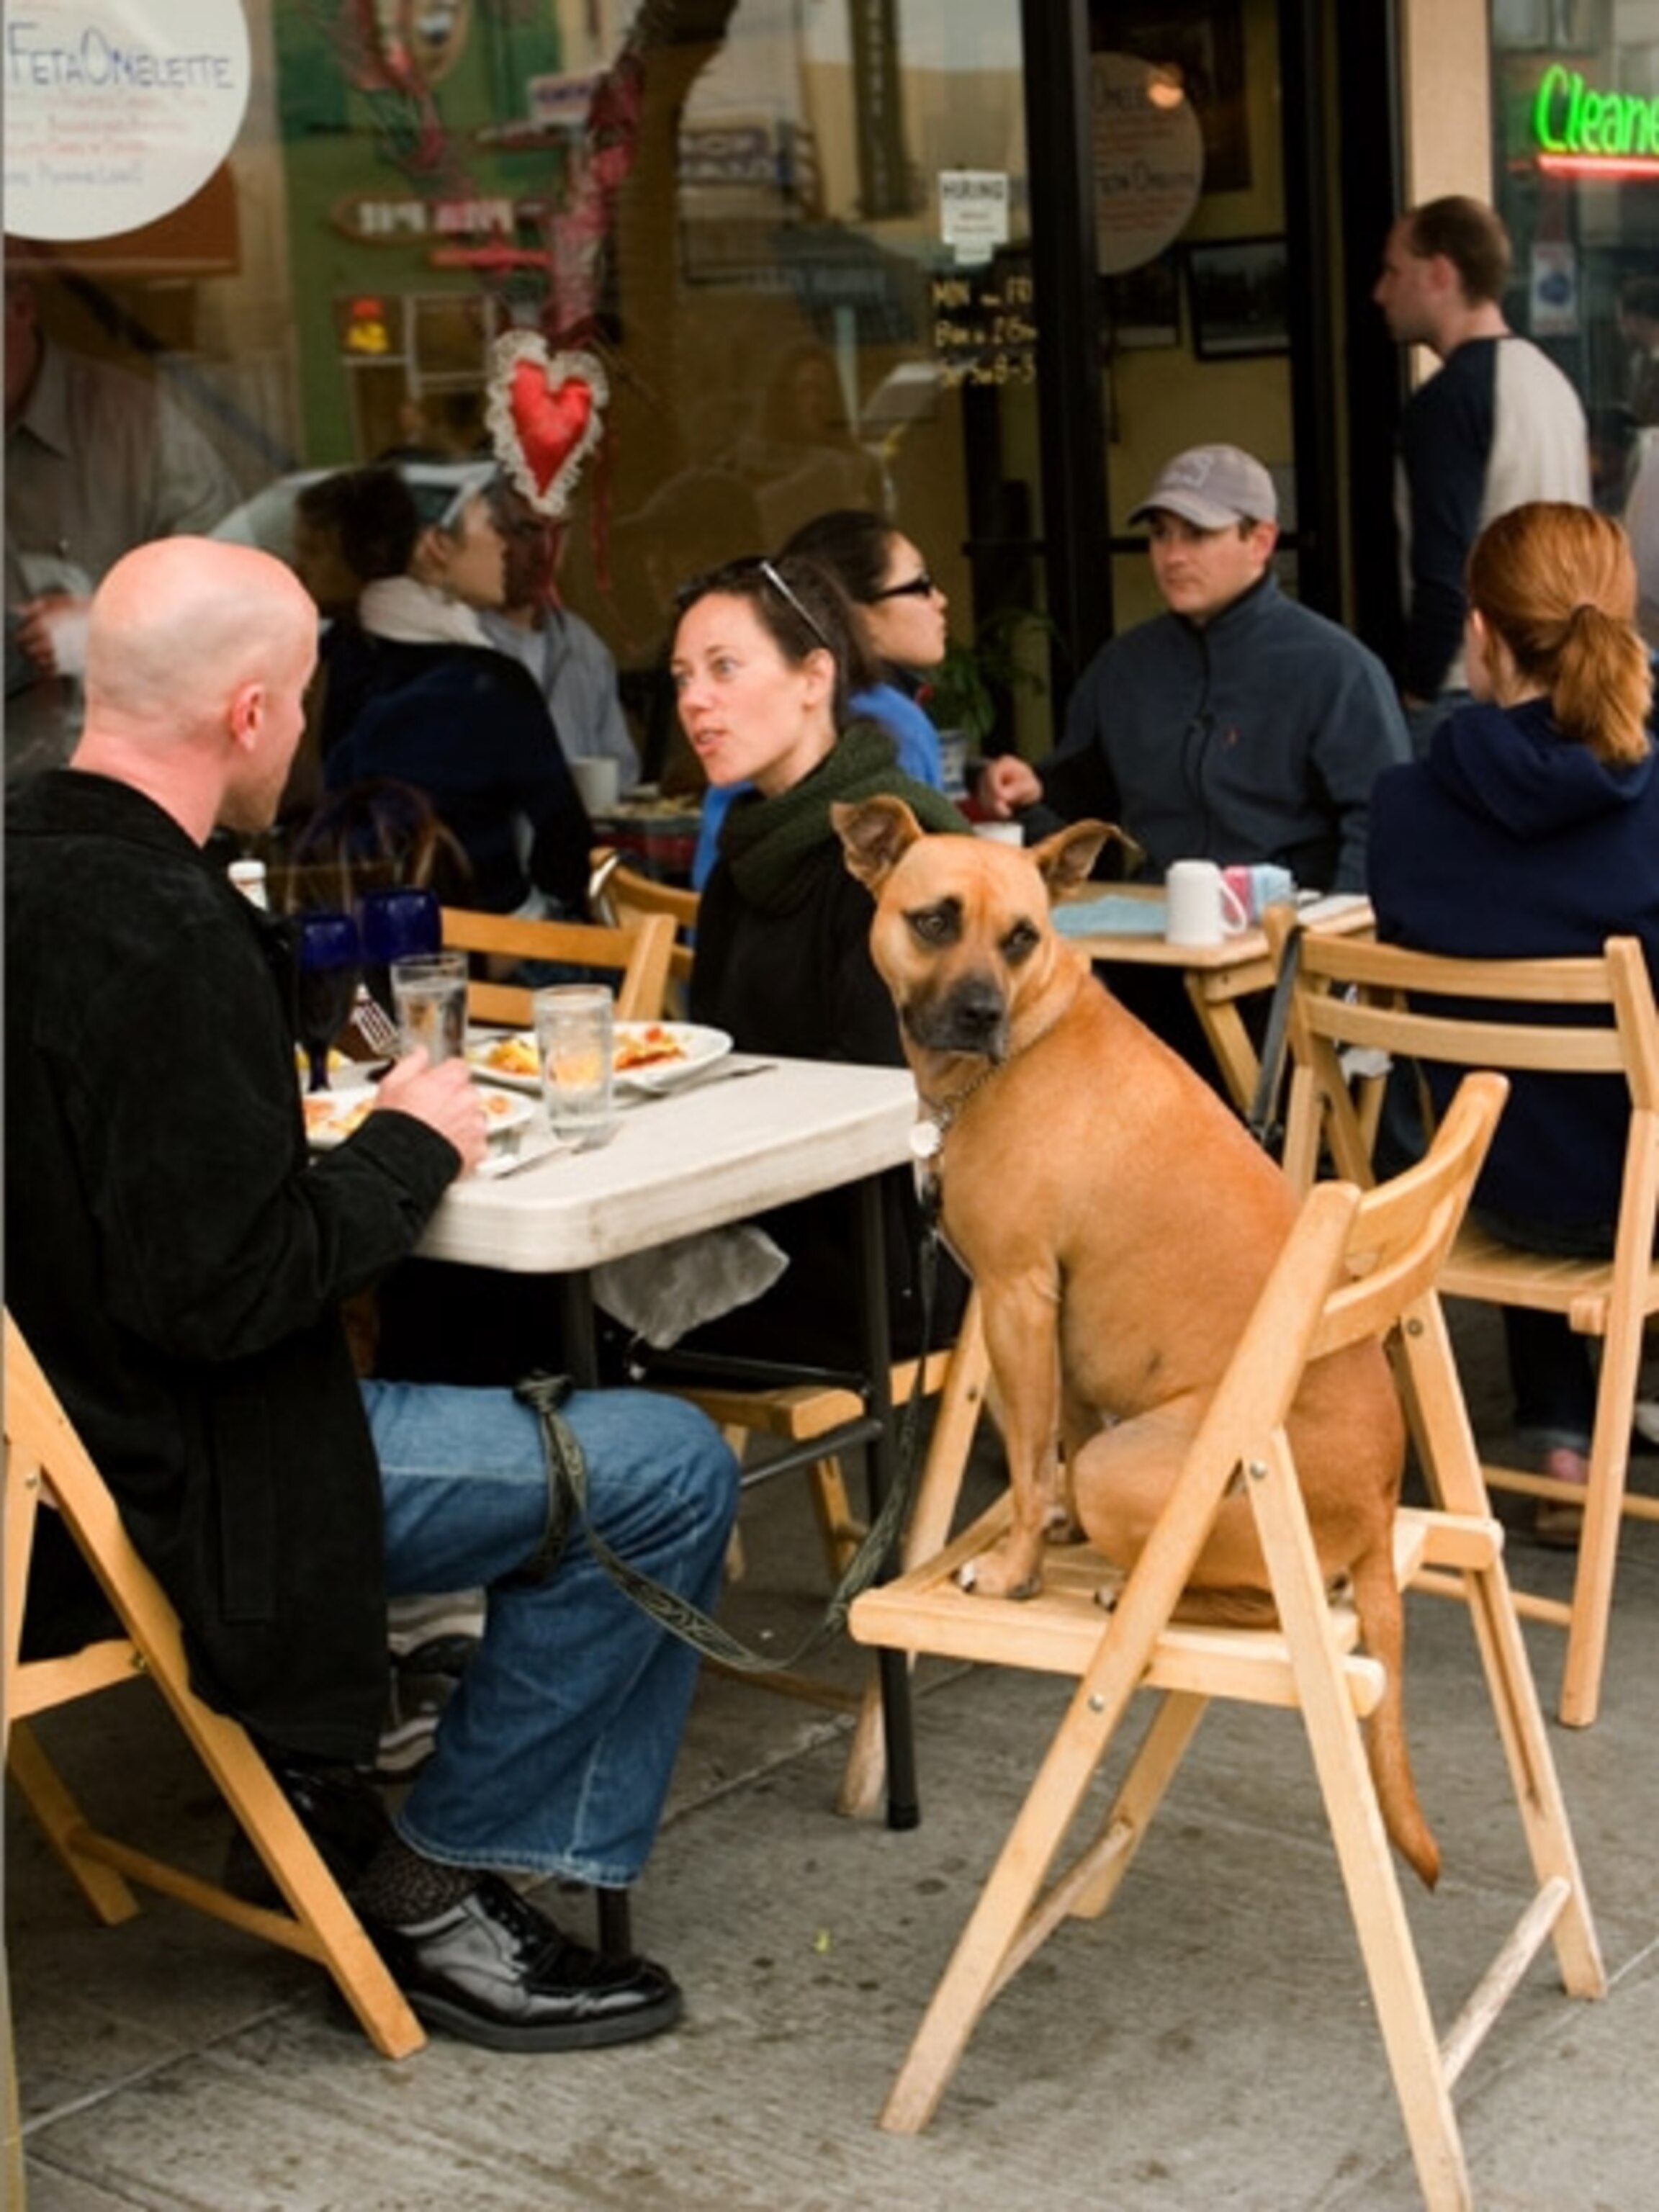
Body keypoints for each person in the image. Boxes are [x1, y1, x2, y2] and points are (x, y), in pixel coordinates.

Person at [5, 536, 740, 2049]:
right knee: (667, 1468)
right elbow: (230, 1292)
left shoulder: (39, 864)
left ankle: (325, 1783)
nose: (307, 731)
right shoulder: (159, 933)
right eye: (303, 701)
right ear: (252, 714)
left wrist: (304, 1032)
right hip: (170, 1481)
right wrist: (410, 1147)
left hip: (38, 1464)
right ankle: (437, 1888)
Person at [1367, 502, 1659, 1542]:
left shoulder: (1404, 810)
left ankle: (1562, 1437)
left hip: (1499, 1201)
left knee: (1520, 1102)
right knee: (1614, 1120)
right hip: (1643, 1207)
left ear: (1480, 632)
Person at [677, 554, 968, 1364]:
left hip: (888, 1255)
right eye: (683, 677)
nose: (695, 700)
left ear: (814, 677)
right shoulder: (746, 857)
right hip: (765, 1210)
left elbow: (885, 1098)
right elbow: (717, 1050)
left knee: (550, 1315)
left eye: (724, 668)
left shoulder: (896, 861)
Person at [978, 444, 1407, 894]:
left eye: (1197, 534)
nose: (1173, 556)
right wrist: (1030, 792)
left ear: (1261, 541)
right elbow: (1079, 802)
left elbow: (1385, 822)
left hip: (1289, 922)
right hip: (1154, 918)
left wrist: (1335, 928)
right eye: (1160, 534)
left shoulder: (1336, 669)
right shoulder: (1123, 667)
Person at [319, 463, 592, 916]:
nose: (504, 544)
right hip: (488, 943)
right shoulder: (489, 685)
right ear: (438, 546)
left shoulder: (335, 658)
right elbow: (566, 855)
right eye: (490, 524)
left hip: (363, 935)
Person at [1372, 196, 1591, 747]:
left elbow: (1445, 566)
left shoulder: (1448, 402)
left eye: (1394, 271)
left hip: (1469, 687)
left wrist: (1417, 691)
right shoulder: (1553, 383)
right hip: (1560, 679)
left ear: (1440, 274)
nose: (1380, 293)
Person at [5, 271, 240, 781]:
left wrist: (111, 631)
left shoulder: (139, 427)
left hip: (118, 787)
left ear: (20, 307)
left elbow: (238, 605)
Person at [691, 508, 950, 888]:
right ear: (856, 614)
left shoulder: (752, 718)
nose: (940, 600)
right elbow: (921, 887)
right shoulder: (894, 726)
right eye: (921, 585)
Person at [478, 480, 641, 786]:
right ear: (488, 533)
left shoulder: (584, 647)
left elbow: (622, 773)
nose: (546, 553)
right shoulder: (459, 645)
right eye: (526, 532)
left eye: (559, 532)